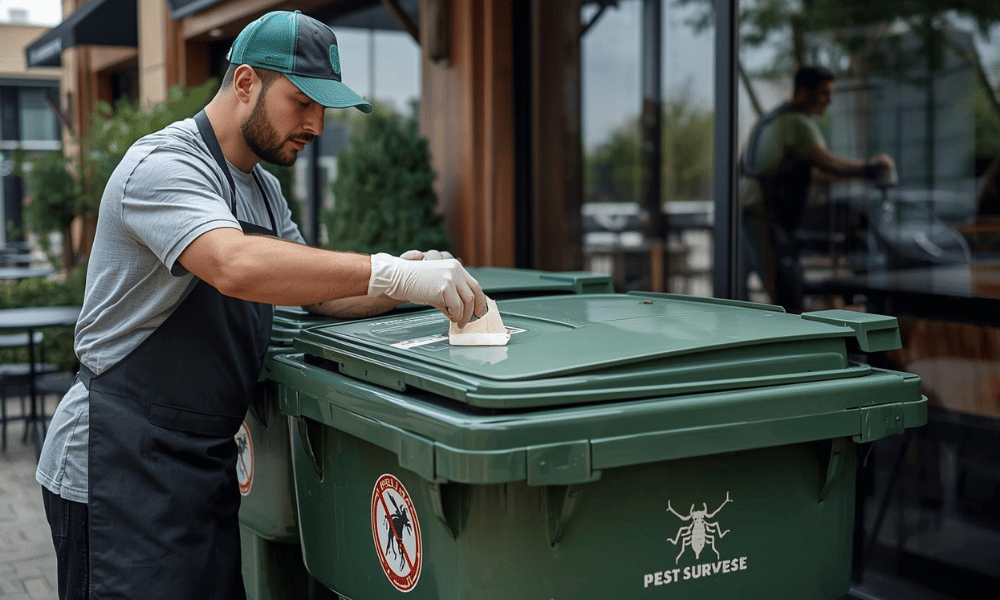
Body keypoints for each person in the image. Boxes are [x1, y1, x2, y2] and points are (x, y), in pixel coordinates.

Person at [35, 10, 486, 600]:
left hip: (201, 467)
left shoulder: (263, 190)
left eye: (324, 108)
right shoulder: (164, 166)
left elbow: (320, 292)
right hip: (118, 466)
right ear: (246, 82)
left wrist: (411, 277)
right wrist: (388, 271)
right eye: (303, 102)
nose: (318, 124)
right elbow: (234, 265)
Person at [740, 65, 895, 313]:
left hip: (759, 216)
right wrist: (871, 167)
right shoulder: (795, 123)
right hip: (766, 218)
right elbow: (827, 162)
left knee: (784, 290)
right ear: (802, 92)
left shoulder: (773, 119)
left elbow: (817, 173)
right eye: (824, 93)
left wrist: (852, 176)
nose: (830, 100)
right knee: (787, 295)